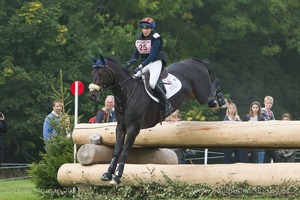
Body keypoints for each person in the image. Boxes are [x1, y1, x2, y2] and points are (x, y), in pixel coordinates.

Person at [127, 17, 173, 118]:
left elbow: (152, 56)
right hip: (146, 63)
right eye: (143, 28)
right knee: (134, 78)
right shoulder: (140, 37)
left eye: (147, 29)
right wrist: (129, 63)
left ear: (151, 29)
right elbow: (135, 54)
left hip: (156, 62)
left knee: (152, 83)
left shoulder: (155, 37)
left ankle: (167, 104)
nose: (145, 31)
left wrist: (140, 66)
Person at [260, 96, 279, 163]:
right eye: (268, 103)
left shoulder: (271, 112)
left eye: (271, 103)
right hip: (265, 134)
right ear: (264, 103)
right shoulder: (262, 111)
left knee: (267, 156)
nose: (269, 105)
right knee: (275, 157)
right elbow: (267, 121)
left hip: (270, 135)